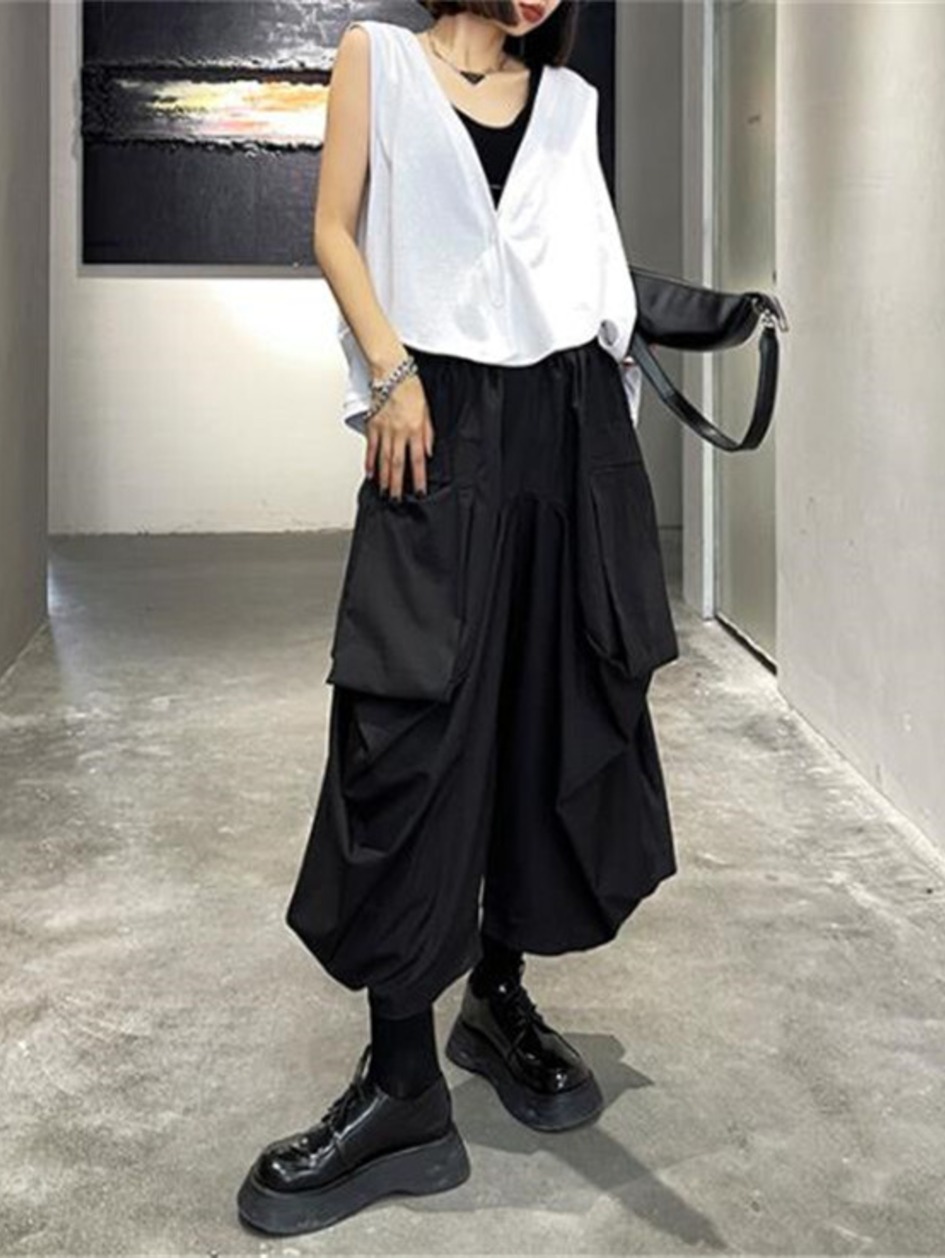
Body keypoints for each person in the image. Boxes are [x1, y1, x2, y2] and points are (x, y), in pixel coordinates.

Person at [236, 0, 680, 1236]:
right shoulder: (377, 60)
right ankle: (400, 1083)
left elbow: (585, 278)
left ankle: (494, 993)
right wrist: (389, 371)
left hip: (566, 432)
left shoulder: (570, 104)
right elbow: (334, 229)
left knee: (545, 717)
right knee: (405, 734)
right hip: (433, 424)